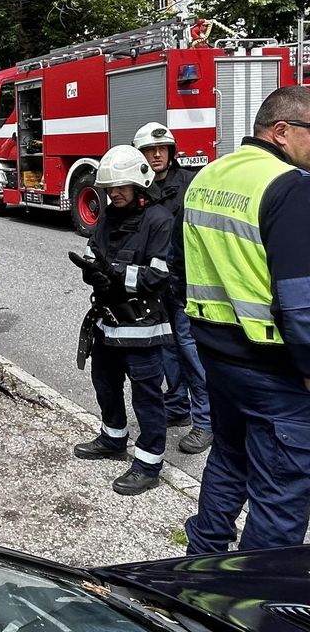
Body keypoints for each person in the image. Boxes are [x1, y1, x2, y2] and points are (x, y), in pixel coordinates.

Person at [179, 86, 310, 553]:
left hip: (218, 359)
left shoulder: (208, 176)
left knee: (229, 460)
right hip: (274, 371)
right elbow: (301, 305)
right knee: (279, 495)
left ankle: (202, 568)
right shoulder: (289, 187)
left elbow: (181, 268)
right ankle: (257, 604)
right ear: (282, 131)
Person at [69, 145, 174, 496]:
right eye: (110, 189)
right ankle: (113, 438)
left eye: (121, 188)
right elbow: (91, 257)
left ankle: (148, 464)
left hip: (143, 328)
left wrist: (112, 272)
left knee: (146, 399)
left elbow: (158, 276)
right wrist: (93, 274)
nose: (114, 194)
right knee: (106, 386)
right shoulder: (107, 218)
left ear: (138, 185)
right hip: (106, 324)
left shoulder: (159, 221)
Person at [133, 122, 211, 454]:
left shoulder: (191, 185)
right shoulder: (140, 190)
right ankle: (177, 407)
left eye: (162, 149)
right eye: (150, 151)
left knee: (191, 351)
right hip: (155, 287)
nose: (157, 155)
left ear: (171, 152)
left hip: (185, 284)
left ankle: (206, 422)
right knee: (166, 350)